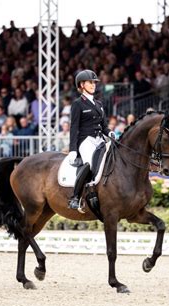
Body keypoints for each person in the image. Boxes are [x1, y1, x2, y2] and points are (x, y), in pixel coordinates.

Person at [67, 69, 115, 210]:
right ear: (82, 85)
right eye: (90, 82)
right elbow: (74, 128)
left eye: (94, 82)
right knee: (89, 164)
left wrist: (110, 133)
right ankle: (75, 198)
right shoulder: (78, 104)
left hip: (99, 140)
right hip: (85, 141)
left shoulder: (98, 104)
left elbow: (104, 126)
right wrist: (73, 150)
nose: (93, 85)